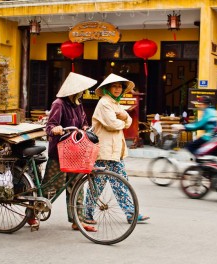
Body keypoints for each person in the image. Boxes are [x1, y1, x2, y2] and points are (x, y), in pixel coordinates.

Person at [29, 72, 97, 232]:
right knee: (51, 187)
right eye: (82, 89)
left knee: (76, 186)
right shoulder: (58, 104)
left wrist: (86, 128)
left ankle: (77, 221)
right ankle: (32, 214)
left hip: (76, 151)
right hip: (59, 152)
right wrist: (56, 129)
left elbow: (84, 122)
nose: (84, 92)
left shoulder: (78, 104)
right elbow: (49, 127)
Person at [85, 73, 149, 224]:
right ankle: (86, 214)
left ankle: (131, 213)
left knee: (121, 183)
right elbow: (113, 124)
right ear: (108, 88)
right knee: (97, 185)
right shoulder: (104, 103)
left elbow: (129, 121)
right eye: (114, 86)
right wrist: (123, 120)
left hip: (115, 152)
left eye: (120, 86)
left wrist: (124, 118)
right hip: (103, 152)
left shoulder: (115, 103)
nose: (117, 89)